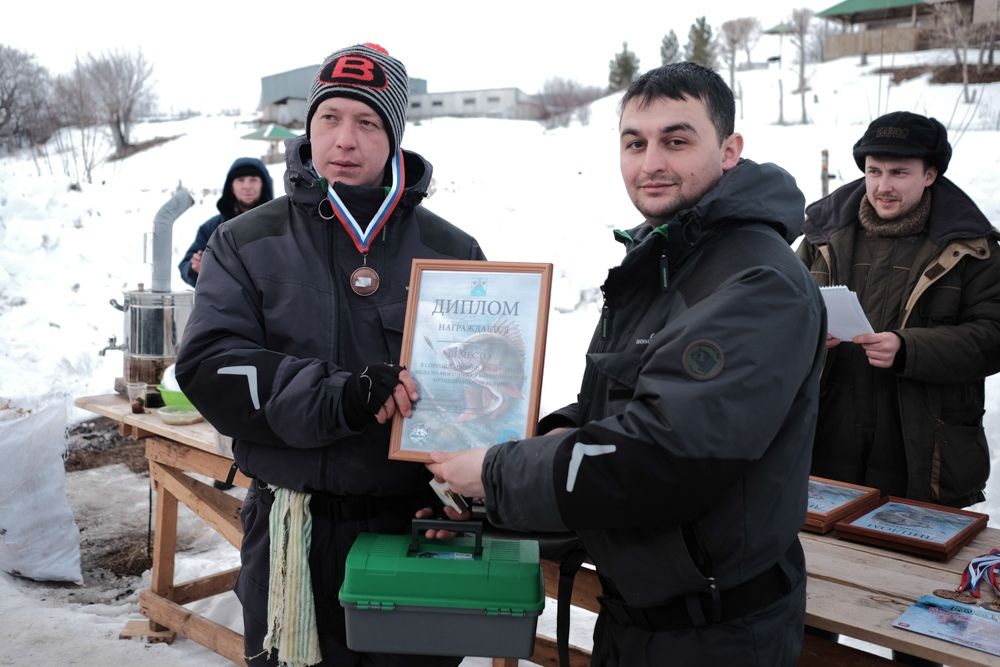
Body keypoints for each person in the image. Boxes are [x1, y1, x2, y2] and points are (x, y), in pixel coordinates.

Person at [427, 62, 827, 666]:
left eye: (676, 139)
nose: (651, 163)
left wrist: (501, 472)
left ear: (730, 150)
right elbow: (617, 403)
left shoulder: (753, 280)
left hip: (714, 637)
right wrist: (515, 456)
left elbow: (665, 453)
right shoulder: (666, 258)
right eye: (634, 143)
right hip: (641, 616)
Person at [175, 43, 484, 667]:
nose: (344, 140)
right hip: (292, 533)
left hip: (409, 530)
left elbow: (481, 385)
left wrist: (460, 498)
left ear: (393, 135)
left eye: (367, 122)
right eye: (329, 118)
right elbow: (210, 365)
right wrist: (337, 395)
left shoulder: (452, 249)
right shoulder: (246, 240)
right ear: (308, 127)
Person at [798, 111, 1000, 509]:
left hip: (923, 450)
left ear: (930, 175)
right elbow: (775, 314)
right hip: (825, 438)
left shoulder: (973, 248)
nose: (882, 186)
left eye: (899, 173)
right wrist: (805, 333)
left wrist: (909, 349)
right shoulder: (820, 236)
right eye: (874, 172)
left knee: (912, 568)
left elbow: (994, 335)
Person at [177, 156, 274, 288]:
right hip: (225, 305)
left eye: (253, 180)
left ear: (264, 184)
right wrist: (195, 268)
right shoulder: (212, 228)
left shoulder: (281, 224)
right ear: (231, 186)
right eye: (240, 180)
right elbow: (186, 266)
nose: (247, 186)